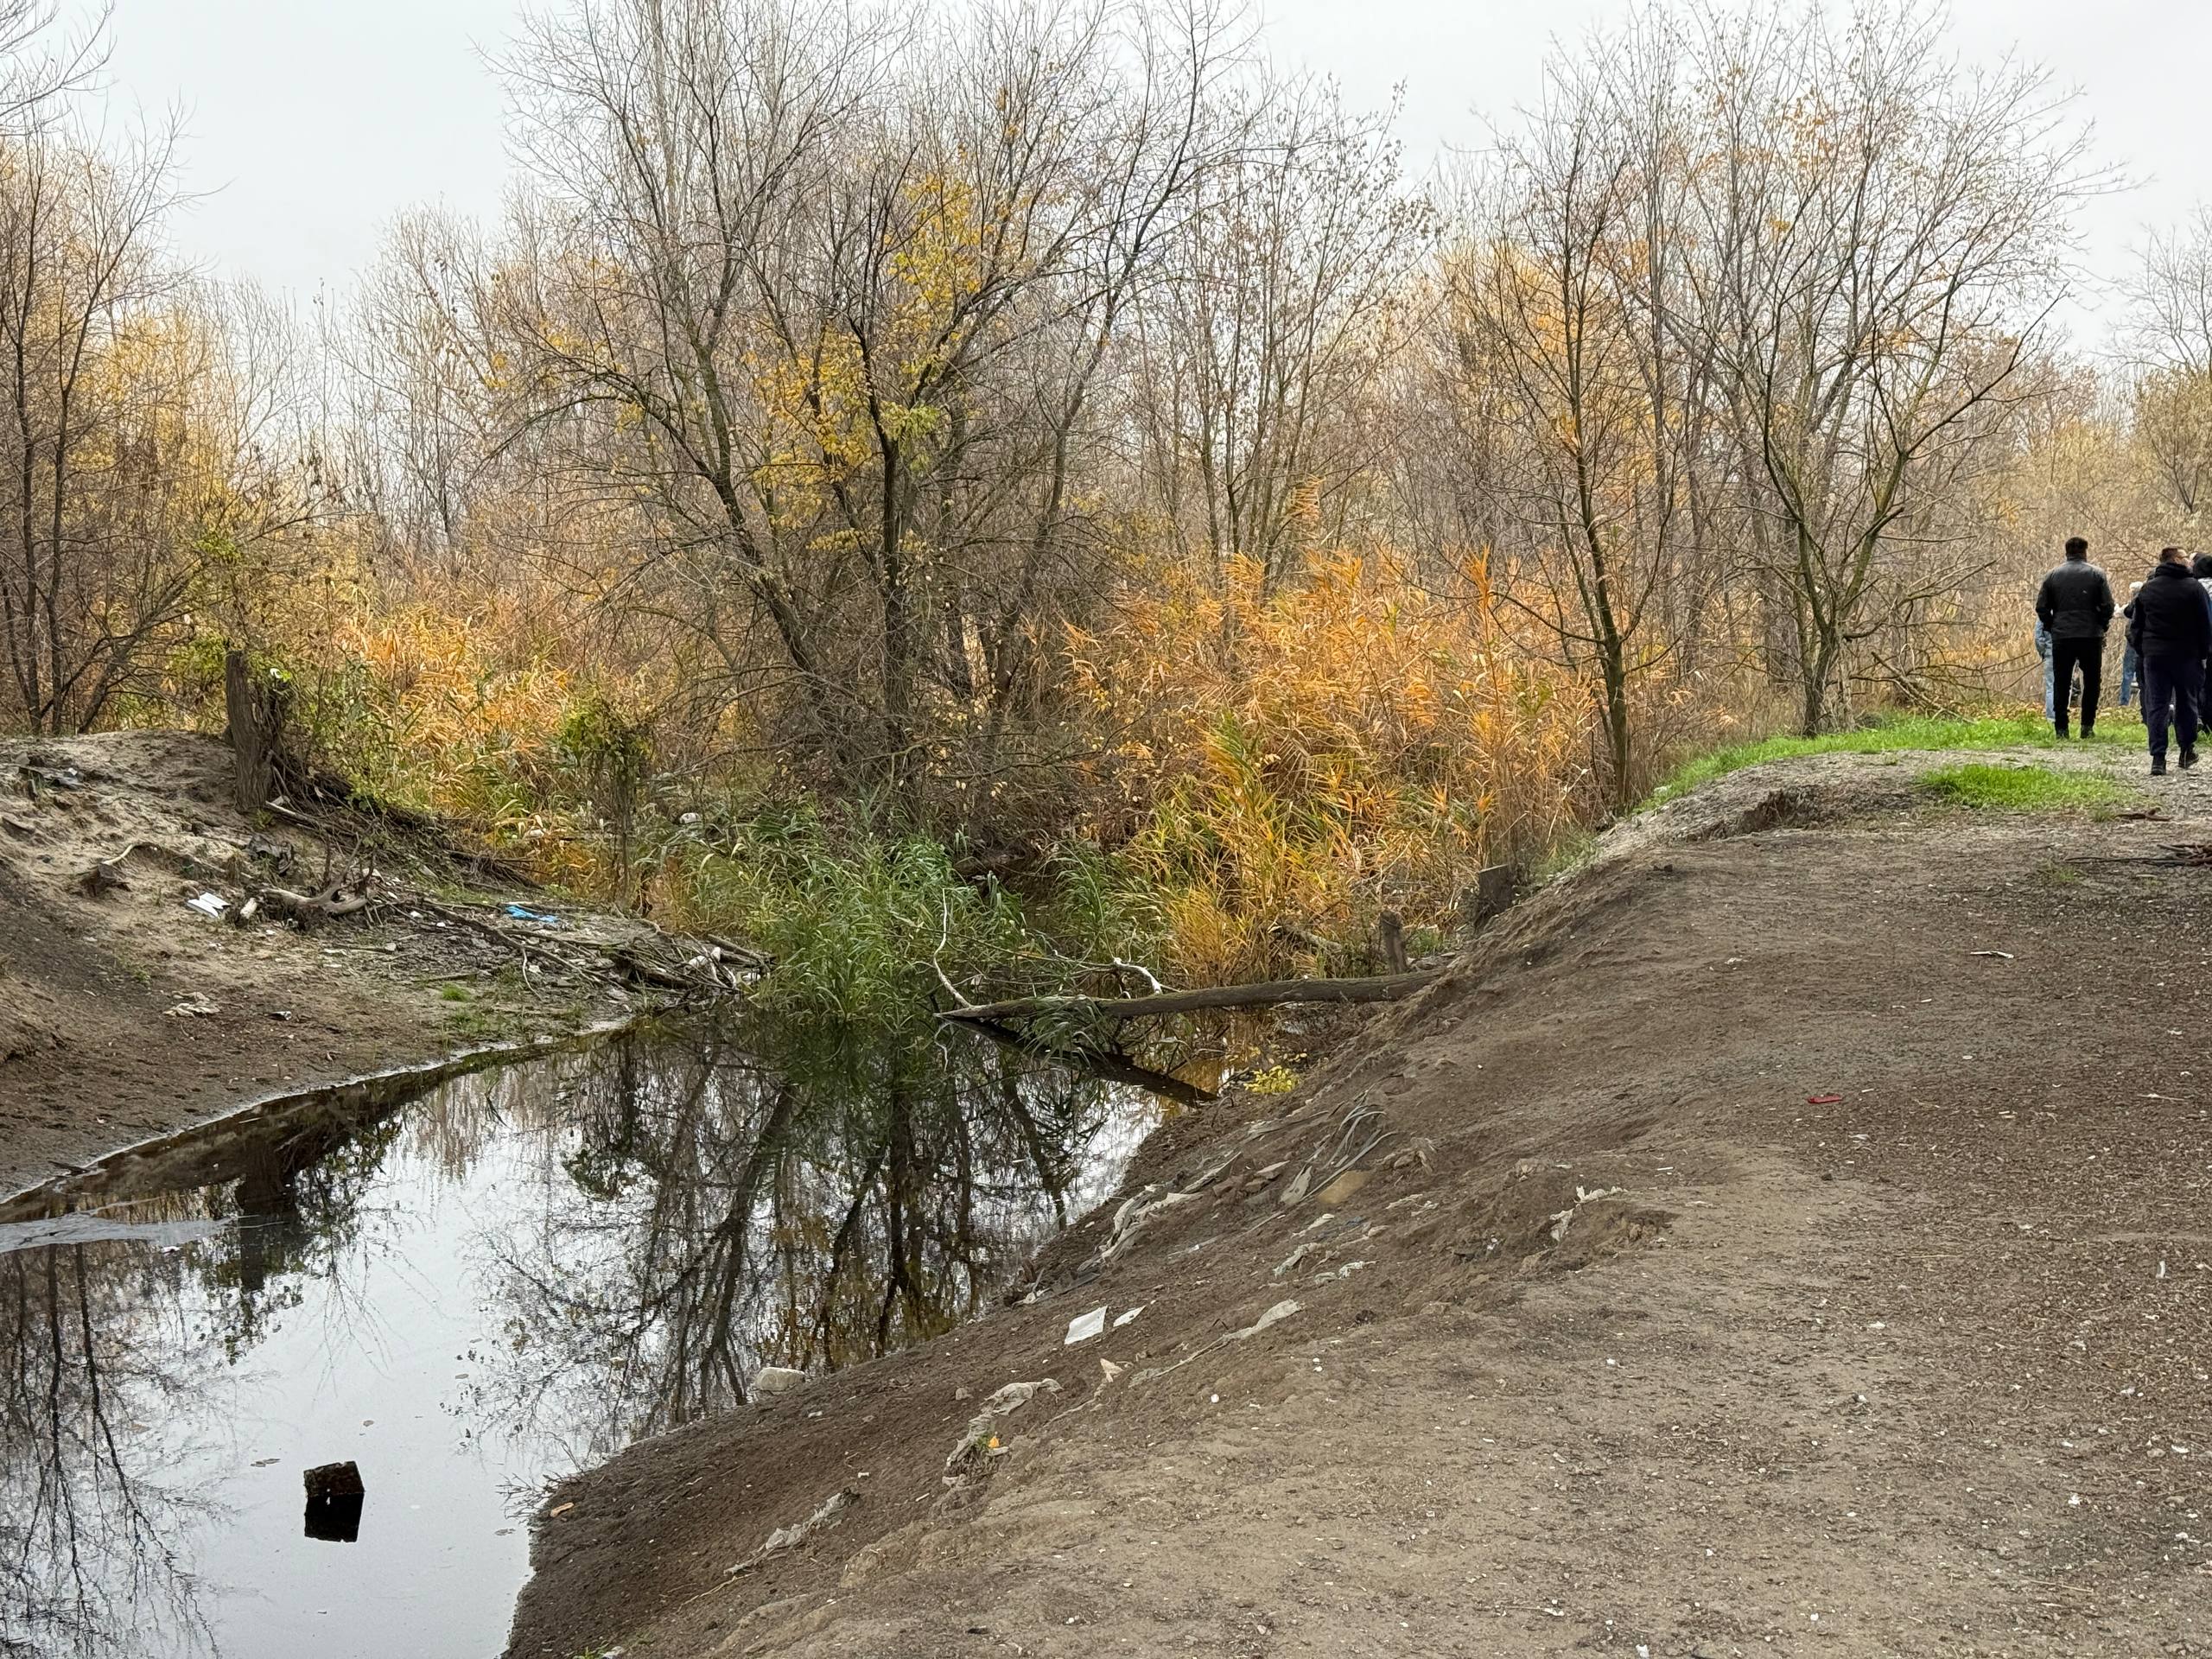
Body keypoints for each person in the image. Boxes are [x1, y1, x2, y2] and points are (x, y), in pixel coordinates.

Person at [2126, 545, 2212, 774]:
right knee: (2187, 703)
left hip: (2155, 656)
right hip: (2188, 656)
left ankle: (2158, 758)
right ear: (2175, 560)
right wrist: (2204, 653)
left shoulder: (2148, 590)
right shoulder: (2194, 589)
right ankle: (2186, 750)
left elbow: (2136, 625)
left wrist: (2143, 650)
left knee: (2157, 705)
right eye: (2185, 558)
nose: (2189, 562)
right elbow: (2206, 625)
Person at [2035, 535, 2114, 737]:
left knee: (2062, 681)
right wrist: (2101, 625)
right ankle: (2087, 726)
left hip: (2062, 635)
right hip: (2090, 634)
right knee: (2092, 681)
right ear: (2085, 551)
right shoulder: (2097, 574)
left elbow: (2041, 607)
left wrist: (2052, 625)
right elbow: (2108, 606)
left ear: (2066, 552)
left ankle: (2061, 728)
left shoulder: (2052, 575)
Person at [2120, 582, 2145, 708]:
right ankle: (2140, 703)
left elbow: (2130, 623)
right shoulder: (2146, 599)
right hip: (2142, 642)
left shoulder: (2135, 603)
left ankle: (2124, 702)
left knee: (2127, 673)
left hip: (2133, 642)